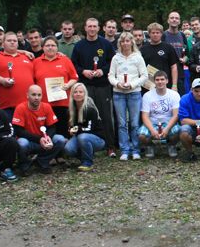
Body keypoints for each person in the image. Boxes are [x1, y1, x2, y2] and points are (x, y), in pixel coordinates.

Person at [71, 18, 116, 157]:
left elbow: (113, 62)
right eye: (89, 26)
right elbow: (73, 65)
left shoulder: (106, 44)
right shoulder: (79, 46)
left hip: (103, 85)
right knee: (86, 114)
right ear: (85, 28)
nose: (92, 29)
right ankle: (87, 145)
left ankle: (110, 146)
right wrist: (83, 71)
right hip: (86, 86)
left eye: (94, 26)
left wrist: (103, 70)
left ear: (98, 28)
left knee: (106, 116)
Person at [109, 32, 148, 160]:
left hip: (134, 93)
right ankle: (125, 150)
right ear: (120, 43)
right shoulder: (116, 58)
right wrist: (117, 83)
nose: (125, 43)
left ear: (132, 42)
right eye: (123, 41)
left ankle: (135, 150)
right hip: (118, 94)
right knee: (121, 123)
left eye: (127, 41)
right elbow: (111, 75)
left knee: (134, 123)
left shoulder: (138, 57)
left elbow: (144, 76)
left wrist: (132, 84)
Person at [12, 85, 67, 175]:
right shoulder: (20, 108)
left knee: (60, 139)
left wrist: (47, 137)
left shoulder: (46, 106)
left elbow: (52, 127)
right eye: (33, 95)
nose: (36, 98)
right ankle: (24, 166)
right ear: (27, 95)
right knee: (22, 143)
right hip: (29, 141)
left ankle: (42, 162)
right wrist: (39, 139)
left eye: (39, 95)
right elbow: (19, 131)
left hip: (43, 140)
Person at [33, 36, 78, 138]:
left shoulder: (65, 60)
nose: (50, 47)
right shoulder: (36, 62)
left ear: (57, 47)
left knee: (63, 130)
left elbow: (74, 77)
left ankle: (64, 146)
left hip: (62, 103)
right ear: (42, 47)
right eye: (47, 45)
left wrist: (68, 85)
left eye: (53, 45)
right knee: (46, 131)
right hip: (43, 104)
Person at [0, 32, 35, 116]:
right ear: (3, 43)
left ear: (18, 44)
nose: (12, 42)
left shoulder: (28, 57)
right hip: (6, 106)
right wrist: (2, 80)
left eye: (15, 41)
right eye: (9, 40)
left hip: (27, 105)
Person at [63, 83, 106, 171]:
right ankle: (85, 157)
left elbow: (89, 129)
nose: (78, 94)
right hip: (80, 136)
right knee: (68, 148)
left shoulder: (90, 109)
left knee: (83, 137)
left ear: (85, 94)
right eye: (75, 92)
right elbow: (70, 126)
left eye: (80, 92)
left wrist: (77, 129)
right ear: (72, 94)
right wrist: (70, 131)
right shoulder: (71, 110)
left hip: (97, 139)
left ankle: (87, 163)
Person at [139, 70, 181, 158]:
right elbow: (145, 116)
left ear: (167, 81)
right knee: (141, 135)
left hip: (168, 123)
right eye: (157, 80)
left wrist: (167, 129)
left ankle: (171, 145)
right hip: (153, 123)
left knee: (179, 131)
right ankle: (150, 146)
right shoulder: (147, 95)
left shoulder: (174, 94)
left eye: (162, 79)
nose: (160, 82)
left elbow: (176, 115)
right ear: (154, 81)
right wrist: (152, 130)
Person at [140, 22, 179, 91]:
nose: (155, 34)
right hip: (148, 87)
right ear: (149, 34)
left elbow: (174, 67)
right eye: (153, 33)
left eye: (157, 33)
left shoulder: (168, 48)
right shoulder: (143, 49)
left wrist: (174, 85)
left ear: (161, 34)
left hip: (166, 86)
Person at [164, 11, 189, 94]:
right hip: (166, 73)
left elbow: (187, 54)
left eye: (176, 18)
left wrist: (185, 59)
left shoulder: (182, 35)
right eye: (172, 18)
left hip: (180, 73)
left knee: (180, 97)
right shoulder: (164, 35)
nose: (174, 20)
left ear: (179, 21)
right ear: (168, 20)